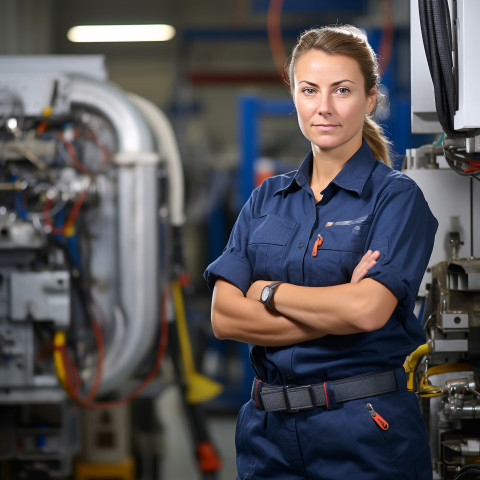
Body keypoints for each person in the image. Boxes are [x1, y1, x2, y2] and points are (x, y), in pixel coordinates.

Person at [204, 24, 438, 480]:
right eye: (310, 90)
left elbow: (367, 312)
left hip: (365, 430)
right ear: (294, 95)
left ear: (370, 99)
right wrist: (336, 309)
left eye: (342, 90)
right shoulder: (265, 199)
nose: (324, 107)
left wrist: (267, 291)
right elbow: (224, 317)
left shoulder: (395, 198)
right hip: (267, 435)